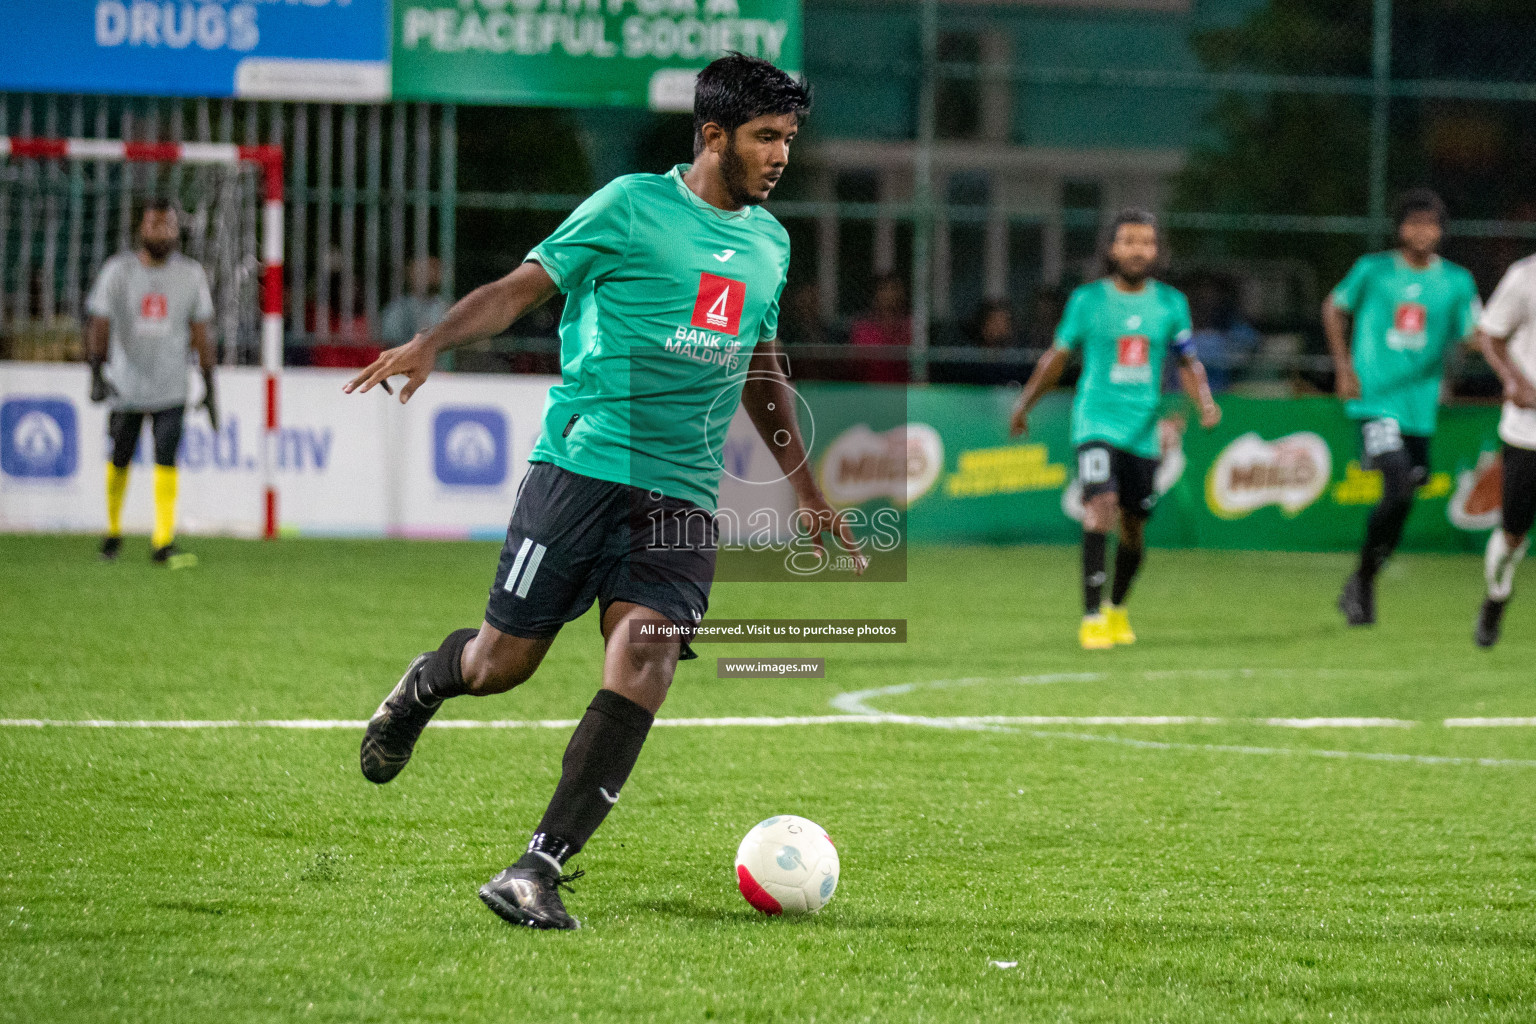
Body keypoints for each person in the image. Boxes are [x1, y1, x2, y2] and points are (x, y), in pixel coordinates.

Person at [343, 54, 859, 930]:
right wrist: (433, 341)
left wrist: (805, 490)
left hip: (682, 497)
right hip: (582, 470)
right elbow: (520, 287)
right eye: (766, 137)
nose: (780, 156)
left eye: (789, 140)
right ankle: (425, 687)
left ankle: (535, 866)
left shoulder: (770, 244)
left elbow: (761, 368)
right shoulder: (629, 207)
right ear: (713, 136)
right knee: (500, 665)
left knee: (648, 658)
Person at [1008, 209, 1222, 650]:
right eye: (1128, 241)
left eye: (1146, 242)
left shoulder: (1170, 303)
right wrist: (1025, 403)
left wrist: (1202, 402)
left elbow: (1186, 360)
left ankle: (1117, 608)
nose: (1138, 249)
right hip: (1095, 421)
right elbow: (1057, 358)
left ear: (1157, 250)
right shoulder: (1087, 301)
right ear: (1111, 248)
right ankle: (1090, 616)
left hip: (1143, 428)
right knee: (1100, 503)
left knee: (1134, 525)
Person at [1324, 189, 1480, 626]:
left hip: (1420, 408)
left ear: (1442, 231)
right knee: (1397, 483)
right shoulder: (1372, 271)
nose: (1422, 231)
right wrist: (1343, 368)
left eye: (1430, 224)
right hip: (1375, 400)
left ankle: (1362, 579)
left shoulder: (1457, 281)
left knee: (1404, 497)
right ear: (1399, 228)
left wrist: (1456, 372)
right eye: (1413, 223)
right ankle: (1365, 585)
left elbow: (1468, 335)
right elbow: (1334, 309)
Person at [86, 199, 217, 567]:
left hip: (171, 386)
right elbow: (99, 321)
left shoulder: (191, 275)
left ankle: (163, 540)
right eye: (154, 225)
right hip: (125, 386)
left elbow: (202, 331)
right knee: (120, 457)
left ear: (177, 230)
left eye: (167, 226)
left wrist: (210, 385)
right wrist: (96, 371)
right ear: (141, 229)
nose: (161, 232)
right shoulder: (118, 271)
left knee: (166, 458)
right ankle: (112, 533)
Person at [1470, 254, 1536, 647]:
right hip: (1528, 434)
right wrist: (1514, 381)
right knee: (1513, 534)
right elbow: (1489, 334)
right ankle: (1496, 594)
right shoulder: (1526, 276)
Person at [848, 273, 910, 382]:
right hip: (870, 392)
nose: (890, 294)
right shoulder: (862, 330)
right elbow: (855, 369)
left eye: (894, 288)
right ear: (876, 294)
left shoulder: (912, 327)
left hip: (905, 393)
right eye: (885, 289)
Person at [380, 257, 452, 344]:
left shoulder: (446, 306)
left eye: (434, 268)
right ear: (411, 274)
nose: (431, 274)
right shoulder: (397, 309)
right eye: (423, 270)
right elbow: (388, 341)